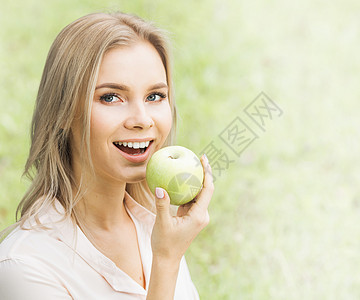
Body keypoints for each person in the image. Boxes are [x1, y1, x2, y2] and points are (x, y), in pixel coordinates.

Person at [0, 12, 214, 299]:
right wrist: (166, 261)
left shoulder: (154, 224)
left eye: (155, 96)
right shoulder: (25, 267)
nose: (142, 119)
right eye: (111, 97)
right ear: (64, 112)